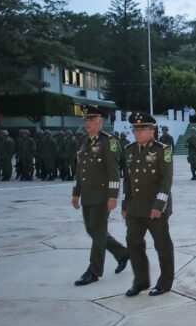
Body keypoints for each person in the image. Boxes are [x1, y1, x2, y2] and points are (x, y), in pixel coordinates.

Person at [71, 105, 130, 286]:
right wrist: (76, 193)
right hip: (88, 195)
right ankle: (122, 253)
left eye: (91, 120)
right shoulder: (86, 142)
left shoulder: (108, 142)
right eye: (86, 120)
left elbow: (114, 172)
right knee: (93, 230)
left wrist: (113, 196)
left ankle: (94, 271)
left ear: (100, 122)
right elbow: (81, 170)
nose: (87, 123)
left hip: (102, 196)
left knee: (97, 234)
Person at [121, 112, 175, 297]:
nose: (139, 132)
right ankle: (141, 281)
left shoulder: (162, 150)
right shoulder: (129, 150)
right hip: (135, 207)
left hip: (155, 208)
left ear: (152, 130)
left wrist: (158, 206)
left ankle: (165, 283)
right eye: (136, 129)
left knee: (162, 245)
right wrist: (124, 205)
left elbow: (166, 181)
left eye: (143, 128)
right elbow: (128, 180)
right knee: (133, 243)